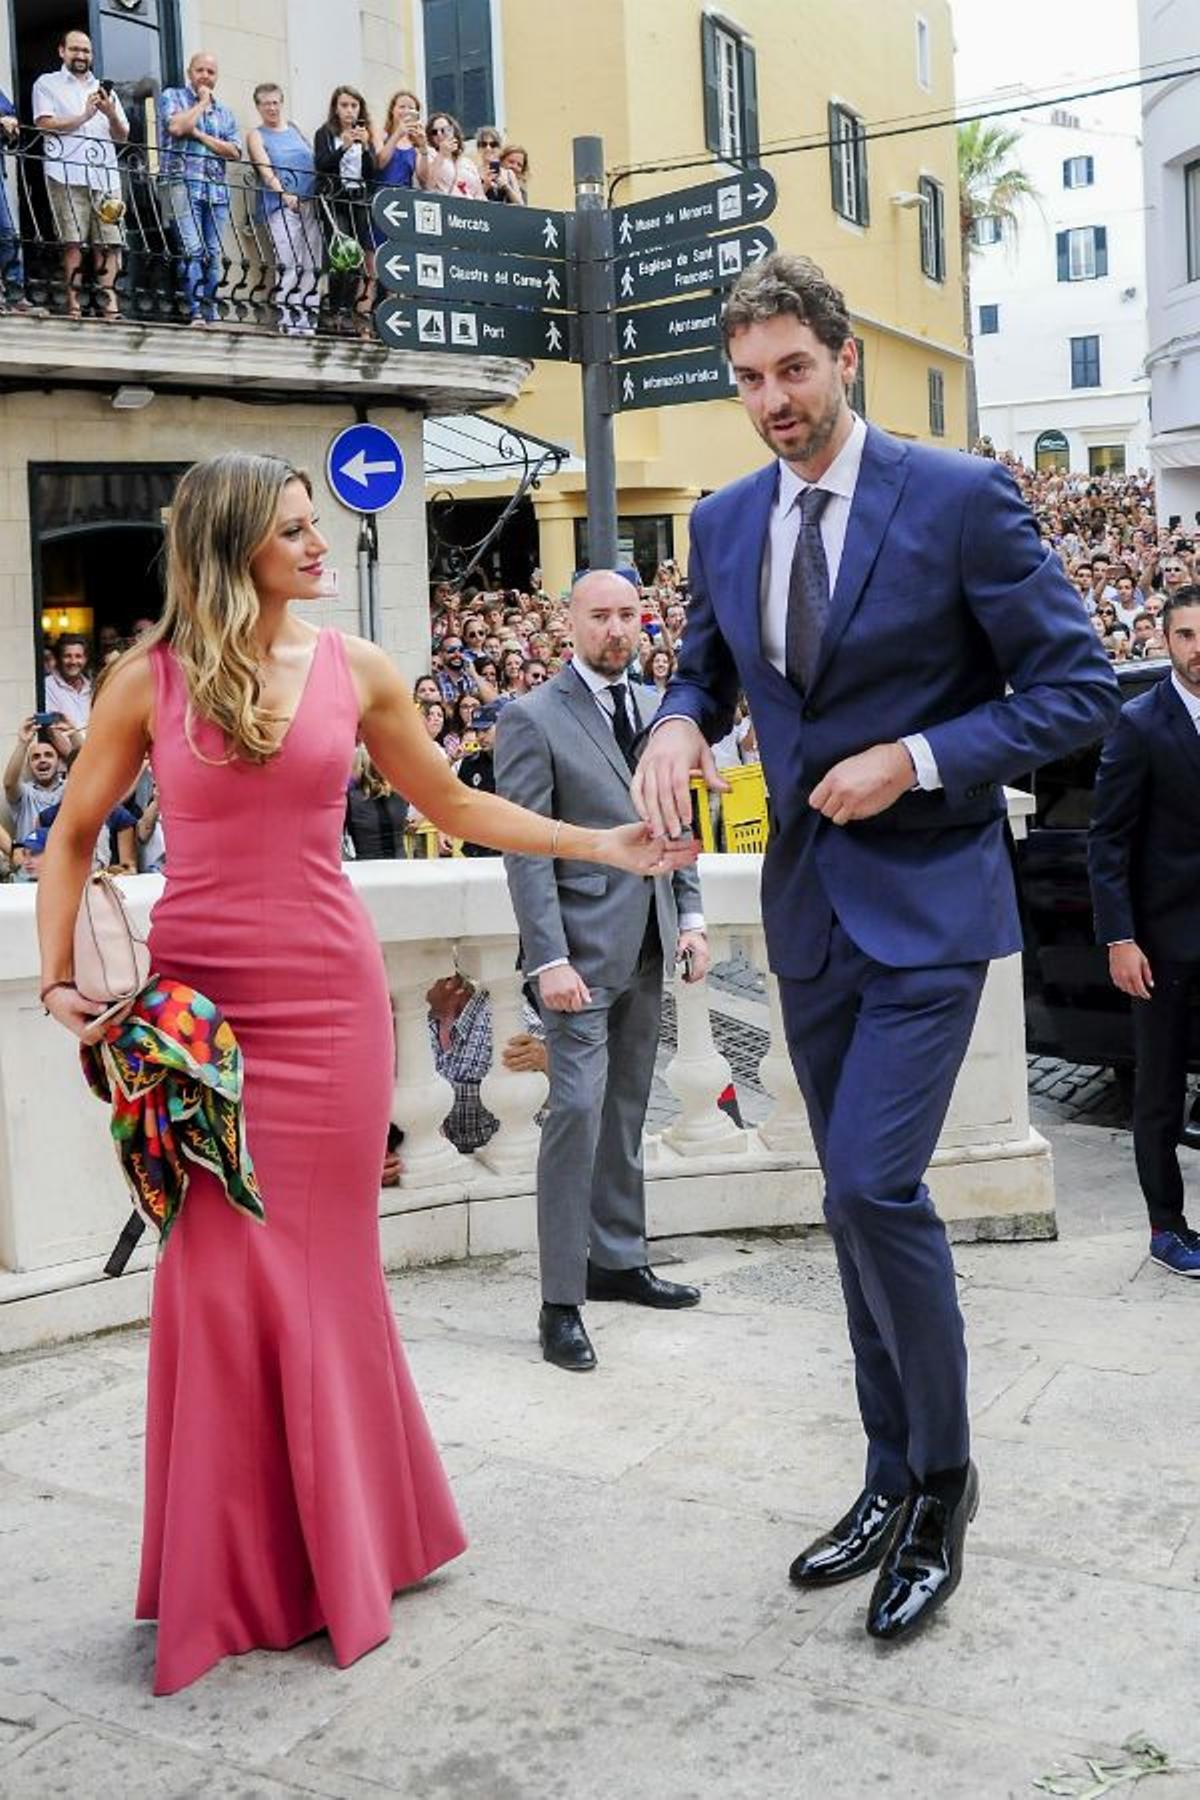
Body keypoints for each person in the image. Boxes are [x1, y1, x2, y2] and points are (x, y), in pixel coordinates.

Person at [34, 452, 691, 1695]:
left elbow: (455, 801)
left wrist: (596, 840)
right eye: (295, 531)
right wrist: (64, 979)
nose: (321, 546)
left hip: (331, 1008)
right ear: (236, 547)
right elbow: (71, 836)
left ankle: (349, 1548)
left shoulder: (358, 671)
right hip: (205, 1022)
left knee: (328, 1280)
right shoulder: (148, 678)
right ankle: (236, 1571)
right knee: (217, 1282)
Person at [632, 252, 1119, 1643]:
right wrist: (676, 718)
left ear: (843, 359)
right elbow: (703, 670)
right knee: (851, 1204)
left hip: (930, 908)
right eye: (748, 379)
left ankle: (946, 1487)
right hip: (808, 911)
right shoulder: (723, 521)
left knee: (870, 1182)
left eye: (793, 369)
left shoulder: (958, 497)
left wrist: (916, 756)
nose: (773, 400)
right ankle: (884, 1473)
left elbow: (1076, 686)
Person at [496, 570, 709, 1375]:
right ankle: (560, 1300)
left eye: (628, 615)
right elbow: (525, 845)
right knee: (575, 1114)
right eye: (600, 616)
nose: (617, 629)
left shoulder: (662, 715)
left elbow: (677, 819)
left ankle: (618, 1259)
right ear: (570, 624)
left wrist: (689, 917)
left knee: (625, 1110)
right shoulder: (531, 717)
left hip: (650, 940)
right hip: (578, 955)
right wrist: (546, 958)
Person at [1088, 588, 1200, 1279]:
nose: (1198, 646)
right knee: (1157, 1094)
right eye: (1186, 634)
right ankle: (1167, 1228)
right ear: (1166, 640)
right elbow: (1107, 842)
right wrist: (1119, 938)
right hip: (1161, 944)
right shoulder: (1139, 722)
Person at [32, 29, 128, 320]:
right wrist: (84, 116)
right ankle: (74, 306)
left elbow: (123, 136)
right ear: (62, 51)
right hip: (66, 174)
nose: (81, 56)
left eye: (86, 51)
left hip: (105, 178)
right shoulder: (47, 84)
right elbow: (44, 124)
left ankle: (109, 307)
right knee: (72, 242)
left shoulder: (103, 89)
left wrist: (109, 112)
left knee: (109, 242)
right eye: (75, 49)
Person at [158, 51, 241, 326]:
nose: (205, 76)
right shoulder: (173, 97)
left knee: (213, 253)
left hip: (216, 190)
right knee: (192, 250)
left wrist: (201, 135)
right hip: (180, 184)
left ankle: (211, 312)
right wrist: (201, 103)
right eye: (200, 70)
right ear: (189, 72)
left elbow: (234, 151)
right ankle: (195, 312)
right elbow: (177, 127)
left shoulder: (225, 113)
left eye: (210, 72)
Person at [245, 85, 322, 337]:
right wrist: (283, 193)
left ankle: (308, 324)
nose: (272, 108)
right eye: (266, 103)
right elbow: (264, 169)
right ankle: (289, 322)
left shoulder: (295, 129)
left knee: (312, 264)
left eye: (276, 102)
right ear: (258, 107)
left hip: (310, 203)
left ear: (281, 103)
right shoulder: (257, 135)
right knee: (289, 263)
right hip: (280, 205)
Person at [313, 86, 376, 334]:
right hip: (335, 199)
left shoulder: (364, 135)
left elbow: (370, 175)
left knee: (357, 258)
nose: (349, 111)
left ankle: (347, 309)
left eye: (354, 106)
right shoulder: (326, 133)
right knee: (341, 255)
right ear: (336, 109)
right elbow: (322, 164)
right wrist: (343, 148)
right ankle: (334, 308)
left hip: (357, 200)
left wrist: (367, 148)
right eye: (344, 105)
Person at [4, 717, 70, 840]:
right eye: (36, 757)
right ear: (29, 766)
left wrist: (72, 734)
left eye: (48, 755)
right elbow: (9, 784)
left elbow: (91, 774)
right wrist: (23, 743)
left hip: (63, 858)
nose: (42, 760)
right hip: (30, 857)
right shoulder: (25, 793)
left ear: (60, 764)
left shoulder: (69, 788)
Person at [373, 90, 429, 194]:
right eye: (402, 107)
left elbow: (424, 180)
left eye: (411, 108)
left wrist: (423, 148)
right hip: (382, 196)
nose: (406, 111)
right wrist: (398, 134)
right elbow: (380, 163)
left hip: (404, 197)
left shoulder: (414, 144)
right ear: (392, 110)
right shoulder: (381, 134)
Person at [420, 113, 483, 197]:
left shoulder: (467, 162)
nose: (439, 134)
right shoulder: (430, 154)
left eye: (443, 130)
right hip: (447, 206)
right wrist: (441, 155)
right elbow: (428, 185)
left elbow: (480, 193)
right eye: (434, 132)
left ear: (452, 130)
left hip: (470, 207)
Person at [43, 635, 92, 727]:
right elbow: (53, 731)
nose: (73, 661)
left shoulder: (91, 688)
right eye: (67, 656)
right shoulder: (48, 686)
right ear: (58, 659)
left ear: (85, 659)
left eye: (78, 656)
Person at [475, 126, 521, 204]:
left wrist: (505, 186)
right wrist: (485, 186)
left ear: (499, 148)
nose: (488, 148)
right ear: (479, 148)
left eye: (493, 144)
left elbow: (521, 204)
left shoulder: (509, 174)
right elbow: (471, 203)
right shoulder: (474, 172)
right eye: (483, 144)